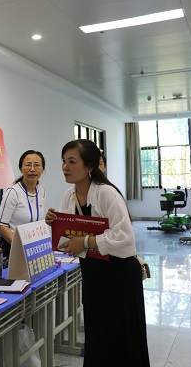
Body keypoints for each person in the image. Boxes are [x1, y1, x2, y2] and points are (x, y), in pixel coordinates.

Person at [45, 139, 149, 367]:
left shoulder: (106, 193)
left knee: (121, 336)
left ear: (90, 166)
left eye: (72, 161)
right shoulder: (69, 196)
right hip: (93, 274)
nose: (65, 167)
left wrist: (86, 241)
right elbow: (66, 238)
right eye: (63, 161)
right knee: (98, 333)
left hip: (119, 274)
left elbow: (125, 236)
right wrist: (53, 222)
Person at [0, 150, 46, 259]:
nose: (32, 169)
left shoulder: (41, 191)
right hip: (14, 249)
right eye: (28, 165)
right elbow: (1, 225)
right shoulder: (13, 192)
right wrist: (20, 246)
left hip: (34, 248)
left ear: (42, 169)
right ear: (21, 168)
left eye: (37, 165)